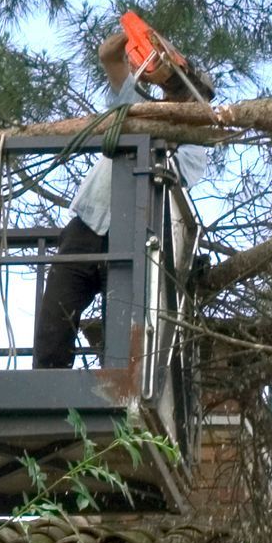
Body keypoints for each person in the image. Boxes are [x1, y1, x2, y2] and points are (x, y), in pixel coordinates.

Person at [32, 24, 212, 370]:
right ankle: (48, 387)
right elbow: (109, 57)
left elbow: (172, 179)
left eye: (189, 97)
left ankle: (117, 400)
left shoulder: (195, 148)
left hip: (133, 239)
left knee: (122, 342)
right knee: (53, 324)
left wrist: (163, 138)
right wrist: (141, 39)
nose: (181, 101)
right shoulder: (136, 109)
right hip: (88, 228)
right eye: (176, 92)